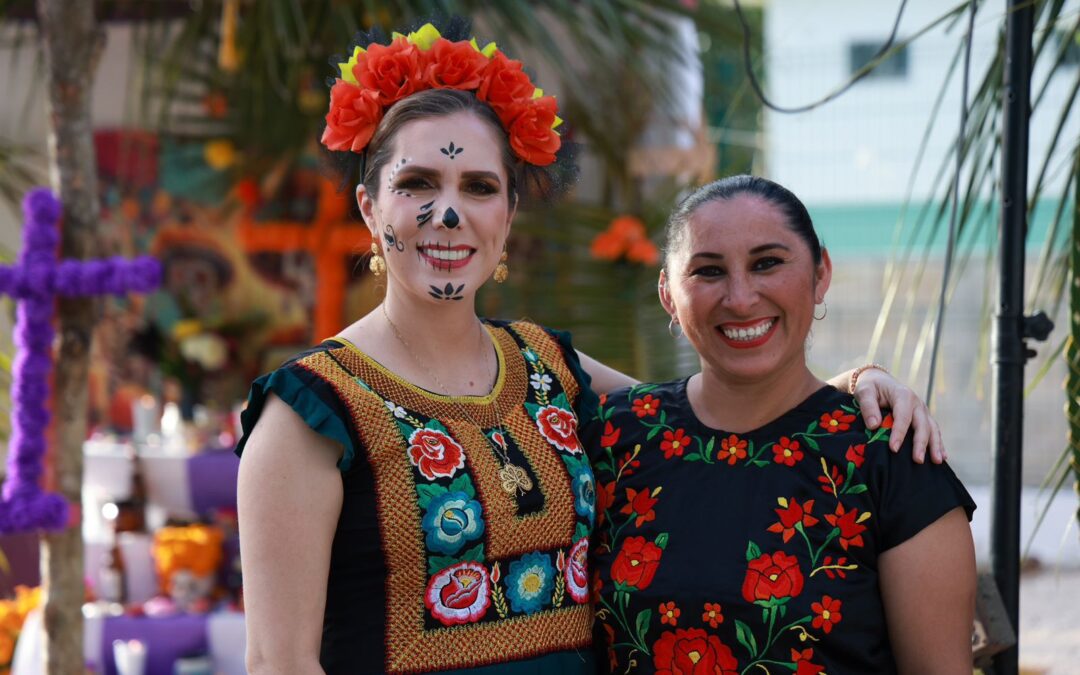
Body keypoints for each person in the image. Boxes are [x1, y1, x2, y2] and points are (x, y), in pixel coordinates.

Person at [235, 24, 946, 675]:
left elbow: (721, 404)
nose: (447, 214)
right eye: (416, 184)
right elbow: (279, 663)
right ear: (369, 207)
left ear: (508, 214)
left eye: (478, 186)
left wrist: (853, 384)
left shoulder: (546, 369)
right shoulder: (310, 414)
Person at [588, 175, 977, 675]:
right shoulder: (616, 437)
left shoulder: (891, 457)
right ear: (668, 293)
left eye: (767, 263)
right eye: (708, 271)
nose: (741, 297)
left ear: (820, 273)